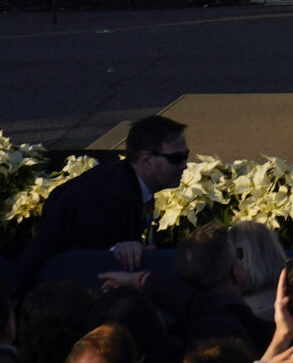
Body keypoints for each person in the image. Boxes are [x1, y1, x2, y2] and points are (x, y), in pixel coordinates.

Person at [12, 114, 189, 284]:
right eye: (176, 158)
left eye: (185, 156)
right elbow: (80, 261)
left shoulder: (120, 178)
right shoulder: (106, 199)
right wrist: (114, 252)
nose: (184, 165)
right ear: (146, 160)